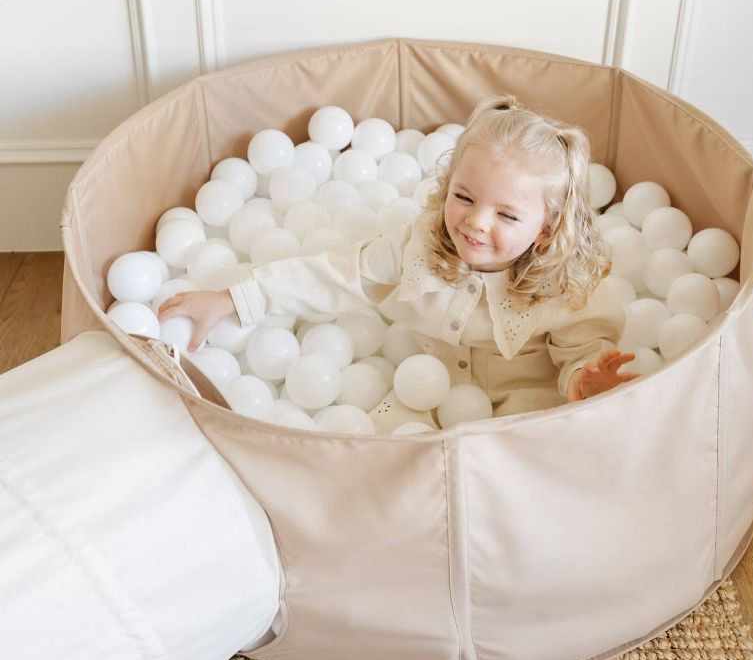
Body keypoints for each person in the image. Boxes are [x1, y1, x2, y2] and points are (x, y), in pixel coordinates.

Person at [157, 95, 639, 429]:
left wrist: (584, 378)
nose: (475, 222)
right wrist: (232, 297)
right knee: (382, 451)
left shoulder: (567, 286)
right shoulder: (420, 247)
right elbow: (339, 274)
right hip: (426, 385)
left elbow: (579, 353)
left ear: (548, 228)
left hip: (525, 401)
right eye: (464, 196)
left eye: (507, 214)